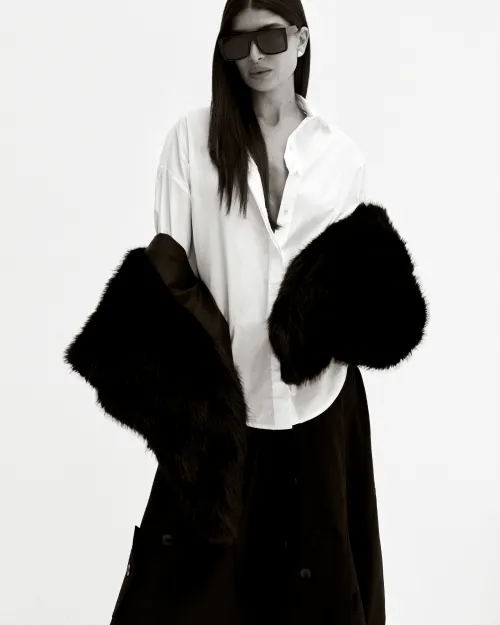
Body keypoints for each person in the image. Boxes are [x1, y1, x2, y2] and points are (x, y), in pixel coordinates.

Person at [63, 1, 428, 623]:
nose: (255, 56)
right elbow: (168, 273)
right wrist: (194, 405)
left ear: (301, 41)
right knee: (186, 598)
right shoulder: (192, 140)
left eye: (270, 38)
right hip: (219, 416)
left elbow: (351, 285)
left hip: (319, 408)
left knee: (320, 601)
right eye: (237, 44)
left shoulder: (341, 157)